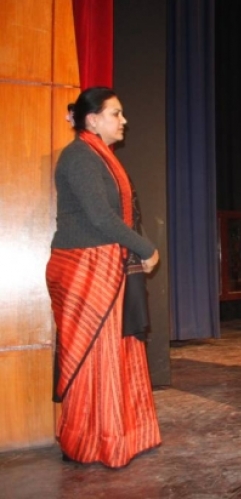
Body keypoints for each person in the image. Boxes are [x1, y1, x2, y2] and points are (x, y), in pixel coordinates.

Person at [46, 87, 161, 467]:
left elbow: (115, 216)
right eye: (116, 113)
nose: (124, 120)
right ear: (92, 120)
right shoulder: (80, 156)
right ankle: (93, 441)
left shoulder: (99, 156)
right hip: (84, 266)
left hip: (104, 263)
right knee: (97, 357)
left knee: (115, 352)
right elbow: (100, 217)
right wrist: (146, 248)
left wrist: (135, 248)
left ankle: (122, 434)